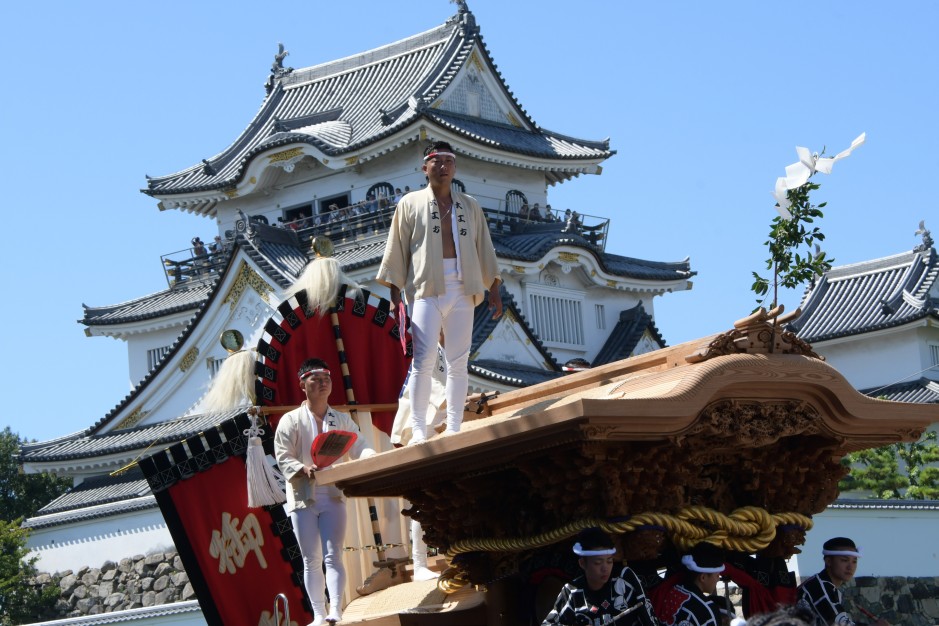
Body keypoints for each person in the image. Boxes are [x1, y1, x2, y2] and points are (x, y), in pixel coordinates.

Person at [377, 140, 502, 443]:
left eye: (448, 161)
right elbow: (396, 251)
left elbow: (484, 248)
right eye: (437, 161)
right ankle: (419, 427)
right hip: (426, 288)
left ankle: (456, 426)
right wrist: (395, 299)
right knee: (424, 359)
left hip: (463, 287)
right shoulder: (410, 203)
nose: (443, 167)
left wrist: (495, 288)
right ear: (425, 168)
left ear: (455, 167)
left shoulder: (469, 205)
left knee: (459, 361)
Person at [274, 358, 376, 626]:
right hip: (302, 495)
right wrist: (301, 467)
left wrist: (370, 458)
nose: (322, 383)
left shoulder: (341, 419)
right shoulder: (290, 420)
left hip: (332, 494)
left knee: (333, 555)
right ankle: (318, 614)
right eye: (315, 379)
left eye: (326, 379)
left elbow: (360, 444)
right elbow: (283, 456)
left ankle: (336, 611)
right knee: (311, 558)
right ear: (302, 385)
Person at [542, 527, 656, 626]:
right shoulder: (572, 592)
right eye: (598, 563)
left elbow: (650, 620)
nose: (605, 568)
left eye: (609, 561)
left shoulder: (624, 580)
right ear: (582, 563)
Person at [797, 537, 889, 626]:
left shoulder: (826, 585)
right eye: (844, 560)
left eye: (854, 562)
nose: (850, 567)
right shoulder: (817, 588)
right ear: (828, 561)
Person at [654, 542, 725, 626]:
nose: (718, 578)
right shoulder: (707, 610)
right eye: (717, 575)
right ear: (703, 577)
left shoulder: (672, 592)